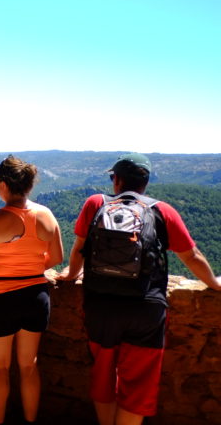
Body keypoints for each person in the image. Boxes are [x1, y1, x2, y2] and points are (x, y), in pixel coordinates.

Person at [56, 152, 221, 425]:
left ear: (117, 180)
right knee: (139, 382)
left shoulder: (95, 203)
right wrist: (214, 283)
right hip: (146, 307)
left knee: (103, 374)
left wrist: (71, 275)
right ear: (145, 182)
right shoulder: (162, 210)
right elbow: (192, 256)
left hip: (100, 305)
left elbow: (78, 250)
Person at [0, 155, 63, 425]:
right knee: (29, 365)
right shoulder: (46, 215)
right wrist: (32, 266)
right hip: (36, 295)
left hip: (1, 298)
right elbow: (57, 257)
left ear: (2, 185)